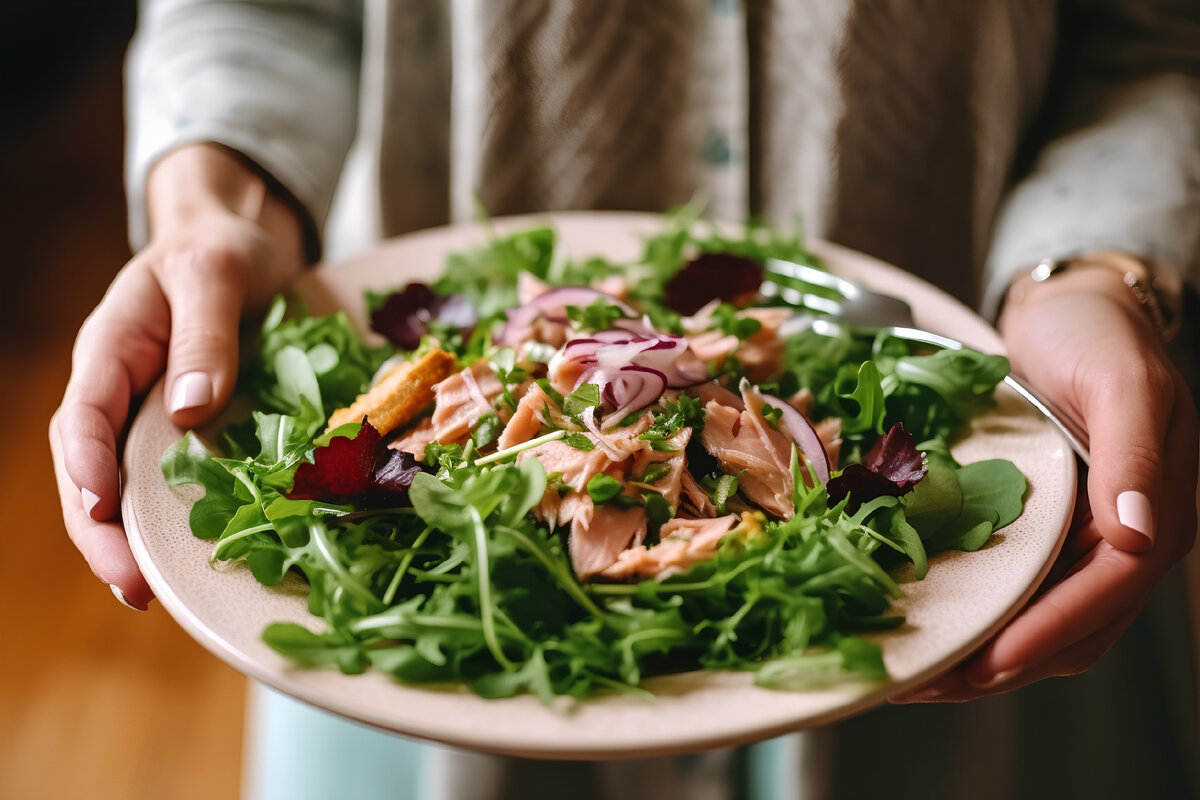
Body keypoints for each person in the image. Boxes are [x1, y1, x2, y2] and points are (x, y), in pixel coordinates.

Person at [51, 1, 1199, 797]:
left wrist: (1097, 268)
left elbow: (1154, 31)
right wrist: (216, 209)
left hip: (974, 536)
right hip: (409, 608)